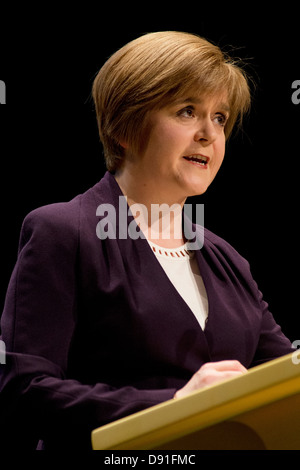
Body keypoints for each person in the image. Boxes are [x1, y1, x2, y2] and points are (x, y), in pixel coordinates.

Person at [0, 31, 294, 450]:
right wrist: (174, 404)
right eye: (187, 111)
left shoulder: (228, 261)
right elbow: (23, 391)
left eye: (220, 117)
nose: (208, 134)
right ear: (125, 126)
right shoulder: (63, 232)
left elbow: (287, 377)